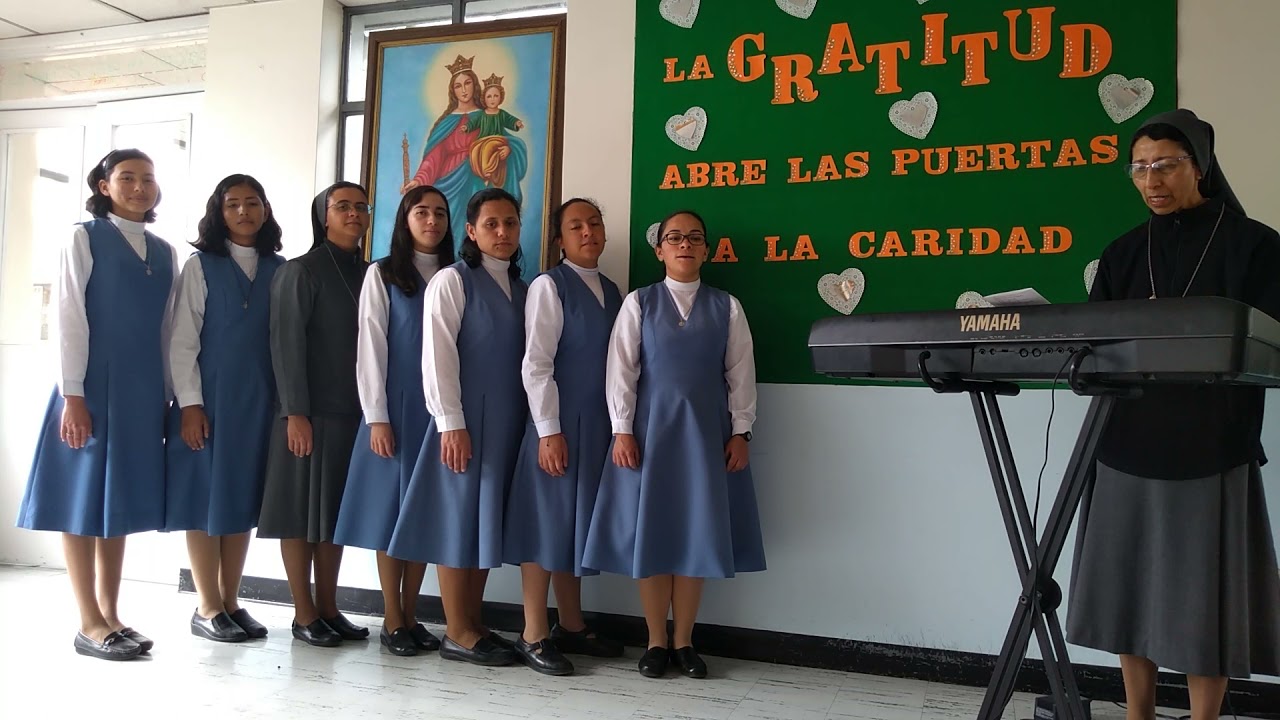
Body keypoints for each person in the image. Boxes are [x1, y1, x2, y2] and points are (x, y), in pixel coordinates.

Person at [1068, 108, 1280, 720]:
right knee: (1130, 590)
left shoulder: (1257, 246)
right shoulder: (1123, 254)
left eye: (1166, 164)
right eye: (1139, 168)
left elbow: (1269, 342)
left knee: (1199, 597)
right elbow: (1094, 344)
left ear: (1201, 165)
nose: (1152, 180)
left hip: (1211, 444)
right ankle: (1138, 712)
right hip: (1127, 440)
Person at [583, 209, 766, 679]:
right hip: (649, 436)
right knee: (654, 533)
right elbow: (621, 371)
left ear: (706, 250)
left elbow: (741, 377)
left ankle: (684, 640)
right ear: (659, 248)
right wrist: (622, 429)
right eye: (674, 237)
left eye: (694, 238)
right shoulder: (639, 303)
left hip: (705, 437)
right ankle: (655, 640)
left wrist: (741, 432)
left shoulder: (727, 307)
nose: (685, 244)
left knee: (694, 534)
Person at [17, 148, 179, 661]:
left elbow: (168, 331)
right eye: (126, 178)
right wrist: (73, 395)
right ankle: (88, 620)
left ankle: (112, 614)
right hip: (91, 390)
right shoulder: (83, 237)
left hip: (142, 391)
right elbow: (68, 317)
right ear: (104, 186)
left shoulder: (164, 251)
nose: (138, 187)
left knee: (118, 502)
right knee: (83, 501)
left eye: (147, 179)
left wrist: (169, 394)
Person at [388, 188, 528, 667]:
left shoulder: (523, 287)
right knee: (457, 521)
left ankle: (473, 620)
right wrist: (450, 422)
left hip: (508, 420)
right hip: (464, 421)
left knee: (484, 523)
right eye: (491, 224)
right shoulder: (453, 281)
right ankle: (457, 630)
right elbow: (438, 357)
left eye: (510, 223)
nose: (502, 232)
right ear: (471, 231)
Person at [503, 198, 626, 675]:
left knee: (574, 524)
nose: (588, 232)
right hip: (555, 423)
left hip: (596, 423)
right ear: (559, 239)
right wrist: (548, 431)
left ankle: (571, 625)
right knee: (546, 524)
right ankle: (533, 631)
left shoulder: (613, 291)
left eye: (595, 223)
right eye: (576, 226)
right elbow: (536, 364)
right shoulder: (548, 287)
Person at [333, 185, 455, 656]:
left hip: (439, 410)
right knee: (390, 512)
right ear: (405, 220)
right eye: (421, 212)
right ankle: (392, 616)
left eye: (440, 213)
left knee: (421, 511)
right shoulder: (382, 274)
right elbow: (371, 348)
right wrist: (376, 417)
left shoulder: (455, 274)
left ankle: (412, 610)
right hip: (395, 408)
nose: (431, 221)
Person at [166, 174, 284, 643]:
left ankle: (231, 600)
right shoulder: (200, 267)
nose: (243, 211)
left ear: (265, 209)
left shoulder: (280, 269)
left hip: (260, 400)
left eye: (252, 202)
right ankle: (206, 604)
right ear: (218, 212)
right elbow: (182, 342)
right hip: (211, 399)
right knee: (205, 497)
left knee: (240, 498)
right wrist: (190, 404)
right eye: (232, 204)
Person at [257, 182, 371, 648]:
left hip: (351, 412)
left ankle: (328, 605)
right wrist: (295, 413)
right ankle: (303, 613)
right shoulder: (300, 271)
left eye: (361, 207)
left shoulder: (371, 273)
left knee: (332, 517)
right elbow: (286, 346)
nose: (353, 214)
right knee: (300, 514)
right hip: (307, 413)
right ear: (323, 216)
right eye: (342, 206)